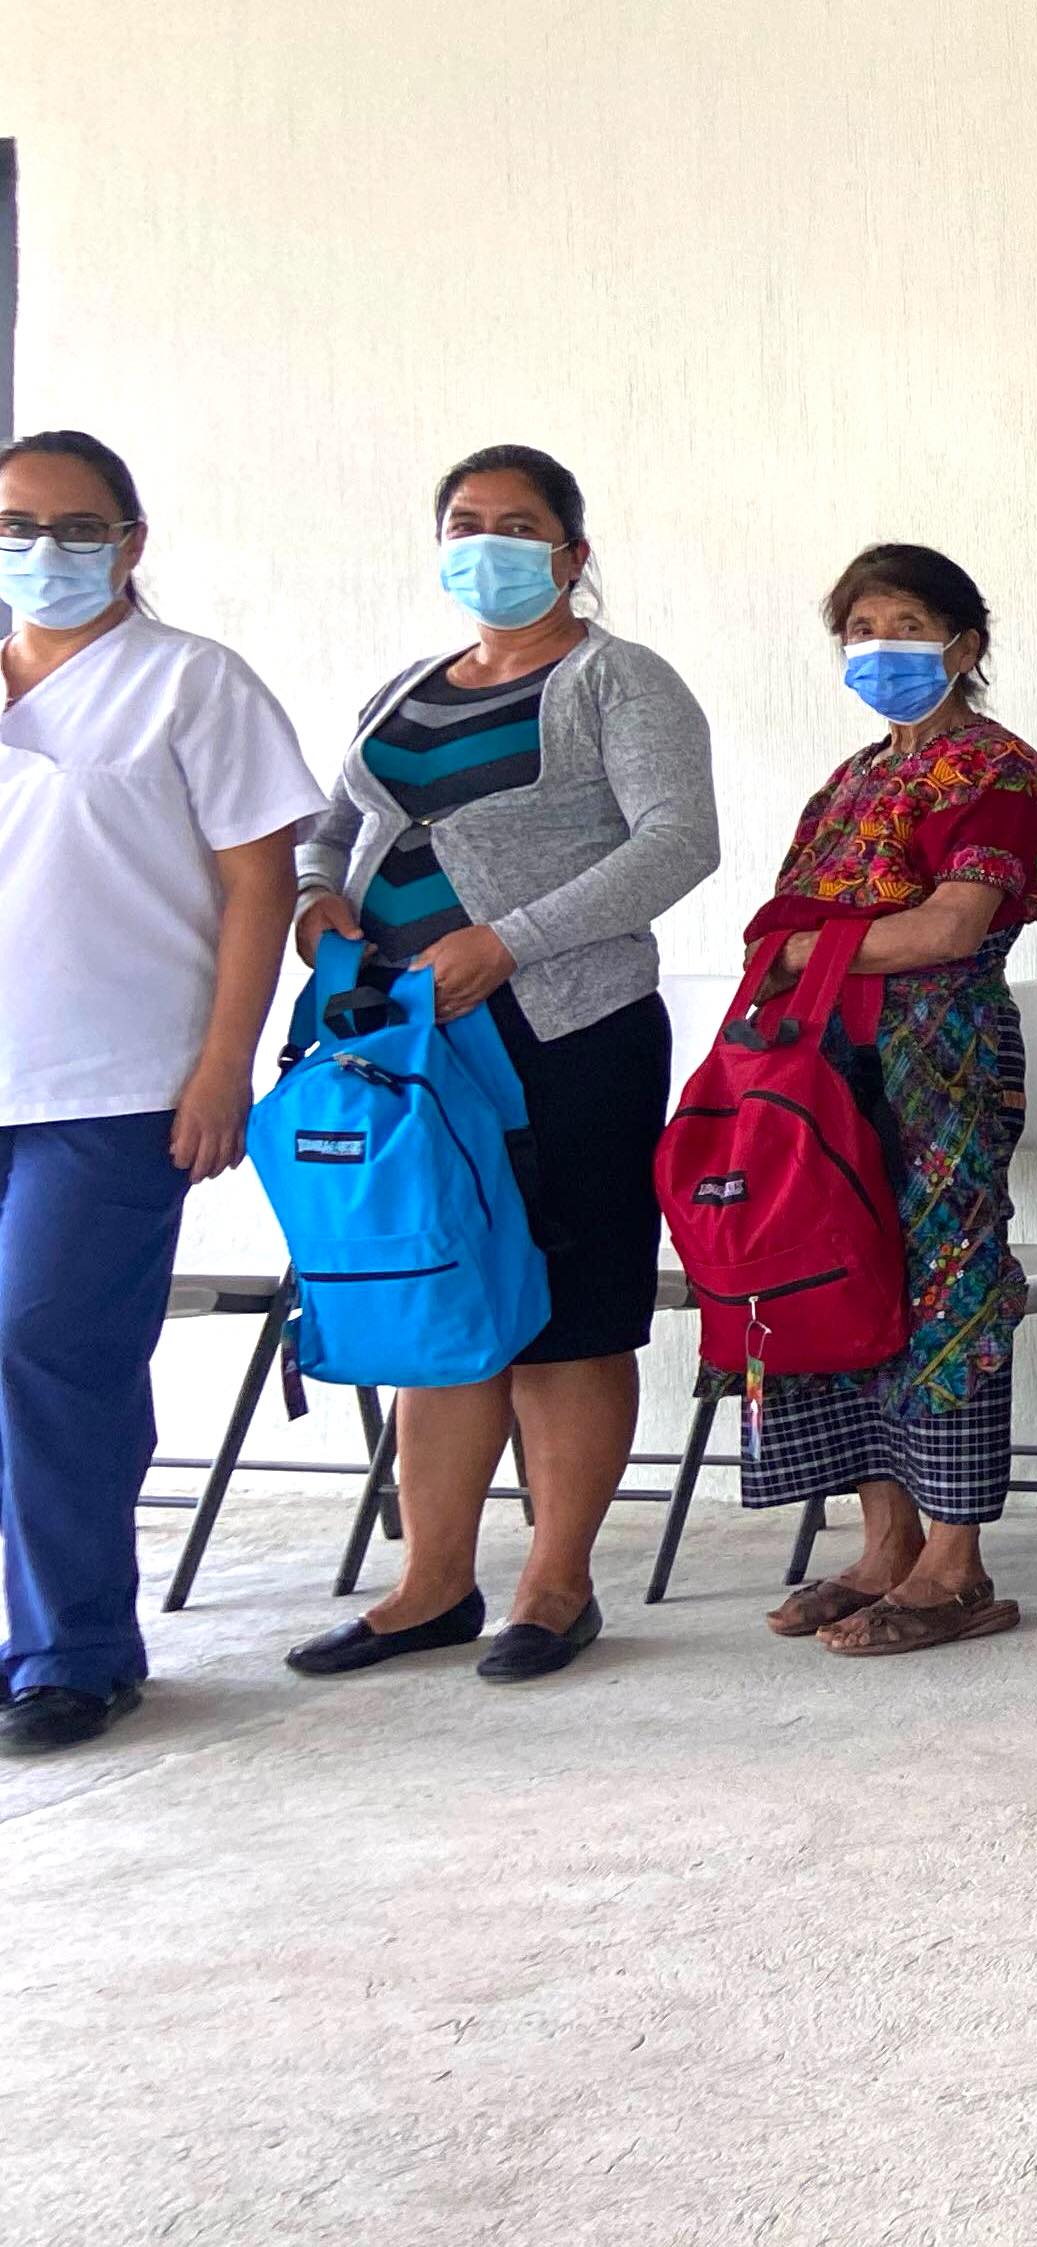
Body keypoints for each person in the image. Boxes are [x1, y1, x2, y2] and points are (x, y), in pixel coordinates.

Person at [282, 443, 721, 1685]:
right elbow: (333, 824)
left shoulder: (616, 679)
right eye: (465, 522)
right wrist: (319, 906)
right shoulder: (404, 686)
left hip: (564, 1029)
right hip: (406, 1044)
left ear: (573, 555)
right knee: (440, 1300)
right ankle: (430, 1585)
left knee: (567, 1317)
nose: (489, 543)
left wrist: (507, 943)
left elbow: (679, 841)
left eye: (518, 525)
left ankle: (556, 1582)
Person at [0, 431, 318, 1754]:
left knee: (46, 1342)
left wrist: (222, 1064)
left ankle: (73, 1648)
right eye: (18, 524)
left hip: (115, 1082)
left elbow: (258, 885)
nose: (46, 551)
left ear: (133, 543)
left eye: (80, 527)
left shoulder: (192, 683)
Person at [738, 545, 1037, 1657]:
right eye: (861, 630)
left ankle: (956, 1561)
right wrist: (810, 954)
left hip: (942, 1055)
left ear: (964, 645)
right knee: (840, 1269)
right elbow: (774, 925)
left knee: (949, 1283)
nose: (882, 650)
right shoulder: (850, 779)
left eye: (907, 626)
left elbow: (949, 928)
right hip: (821, 1063)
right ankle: (885, 1542)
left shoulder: (998, 772)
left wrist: (811, 952)